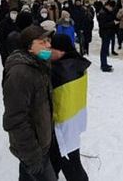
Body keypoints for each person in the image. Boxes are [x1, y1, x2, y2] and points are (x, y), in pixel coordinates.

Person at [2, 25, 56, 181]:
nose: (48, 45)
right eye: (42, 42)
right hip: (33, 151)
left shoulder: (38, 64)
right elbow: (15, 120)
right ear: (29, 47)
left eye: (48, 40)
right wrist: (32, 156)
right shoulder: (20, 74)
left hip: (40, 145)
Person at [49, 34, 90, 181]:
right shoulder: (78, 62)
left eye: (52, 48)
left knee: (68, 161)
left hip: (61, 123)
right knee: (63, 157)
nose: (49, 51)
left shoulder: (60, 70)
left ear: (60, 50)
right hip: (76, 117)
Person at [97, 0, 118, 72]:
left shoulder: (107, 11)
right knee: (104, 49)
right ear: (108, 6)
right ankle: (103, 65)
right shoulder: (102, 13)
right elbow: (103, 25)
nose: (112, 9)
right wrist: (113, 23)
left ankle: (105, 63)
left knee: (105, 49)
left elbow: (111, 18)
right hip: (105, 33)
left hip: (108, 33)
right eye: (111, 7)